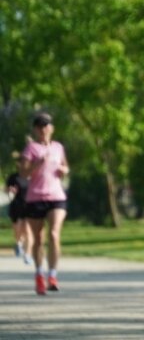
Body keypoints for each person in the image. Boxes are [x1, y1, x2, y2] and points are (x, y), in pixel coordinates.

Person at [20, 112, 70, 295]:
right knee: (38, 239)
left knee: (54, 234)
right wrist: (36, 164)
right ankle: (39, 274)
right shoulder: (30, 149)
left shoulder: (58, 147)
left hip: (56, 197)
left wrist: (63, 169)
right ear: (35, 129)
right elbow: (23, 174)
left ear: (52, 128)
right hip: (35, 198)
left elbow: (65, 167)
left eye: (46, 125)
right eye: (40, 125)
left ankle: (53, 275)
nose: (43, 129)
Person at [5, 150, 33, 264]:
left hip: (30, 206)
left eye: (26, 161)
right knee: (18, 229)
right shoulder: (13, 177)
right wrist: (10, 190)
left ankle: (27, 254)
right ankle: (18, 243)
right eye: (21, 162)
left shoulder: (32, 176)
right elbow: (6, 189)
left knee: (27, 230)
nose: (23, 164)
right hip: (16, 205)